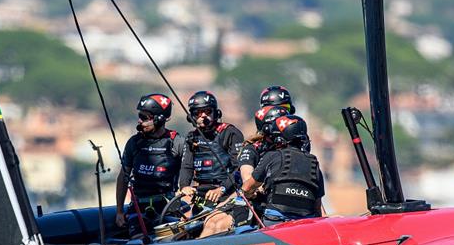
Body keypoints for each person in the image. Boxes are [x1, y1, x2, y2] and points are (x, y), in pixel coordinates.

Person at [199, 114, 322, 237]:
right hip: (305, 225)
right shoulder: (314, 163)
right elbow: (317, 208)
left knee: (241, 200)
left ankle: (243, 238)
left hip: (275, 221)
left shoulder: (272, 156)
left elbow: (247, 188)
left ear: (279, 138)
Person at [115, 93, 185, 237]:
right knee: (138, 241)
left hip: (167, 207)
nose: (140, 121)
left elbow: (190, 172)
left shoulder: (177, 142)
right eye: (140, 116)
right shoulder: (134, 143)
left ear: (160, 119)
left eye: (145, 118)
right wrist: (119, 211)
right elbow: (123, 177)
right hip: (139, 208)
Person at [178, 90, 243, 207]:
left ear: (216, 113)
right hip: (200, 193)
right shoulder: (191, 137)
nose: (203, 116)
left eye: (207, 111)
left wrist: (222, 189)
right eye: (198, 113)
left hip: (226, 193)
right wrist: (184, 186)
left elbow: (239, 168)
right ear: (191, 117)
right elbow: (187, 166)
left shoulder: (230, 133)